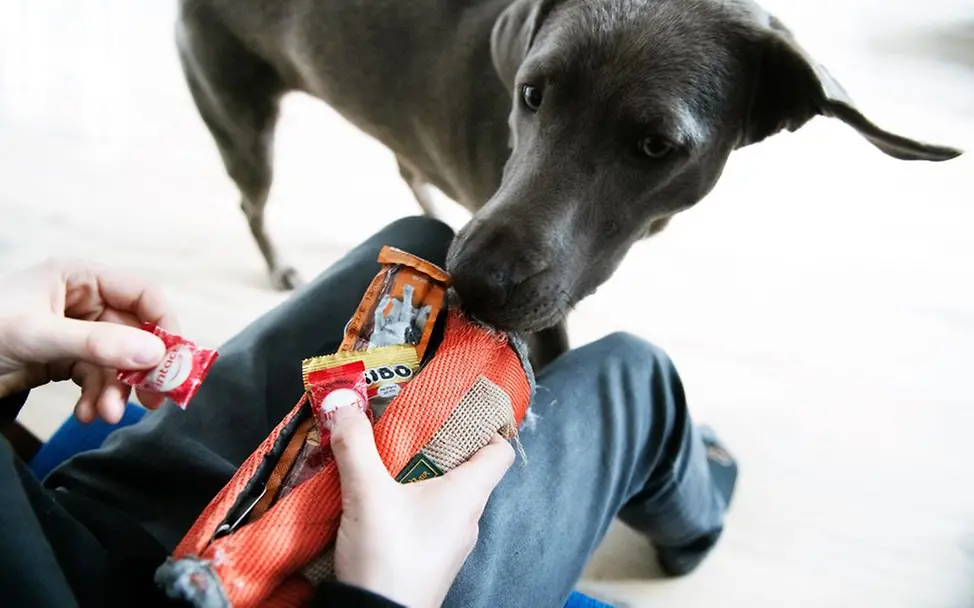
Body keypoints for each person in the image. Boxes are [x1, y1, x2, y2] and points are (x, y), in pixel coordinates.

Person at [0, 217, 738, 608]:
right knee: (634, 377)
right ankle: (696, 521)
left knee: (424, 254)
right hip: (311, 593)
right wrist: (382, 596)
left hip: (84, 530)